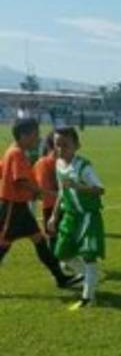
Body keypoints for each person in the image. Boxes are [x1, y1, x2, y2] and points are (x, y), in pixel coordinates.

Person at [0, 118, 79, 290]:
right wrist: (48, 193)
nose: (39, 139)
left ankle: (60, 278)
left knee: (40, 241)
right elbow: (21, 181)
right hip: (12, 209)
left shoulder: (14, 151)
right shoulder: (16, 153)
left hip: (21, 208)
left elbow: (4, 170)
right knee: (2, 246)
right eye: (35, 135)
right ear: (23, 135)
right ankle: (60, 278)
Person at [50, 127, 105, 310]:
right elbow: (61, 192)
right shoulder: (58, 164)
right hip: (70, 216)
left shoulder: (84, 166)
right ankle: (89, 276)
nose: (60, 149)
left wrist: (78, 186)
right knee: (62, 254)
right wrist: (53, 216)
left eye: (65, 145)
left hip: (88, 217)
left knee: (89, 257)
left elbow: (100, 189)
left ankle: (88, 297)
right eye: (57, 145)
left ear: (77, 146)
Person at [33, 131, 59, 251]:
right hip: (53, 204)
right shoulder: (45, 163)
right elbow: (42, 187)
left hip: (52, 204)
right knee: (54, 235)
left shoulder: (43, 162)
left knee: (55, 235)